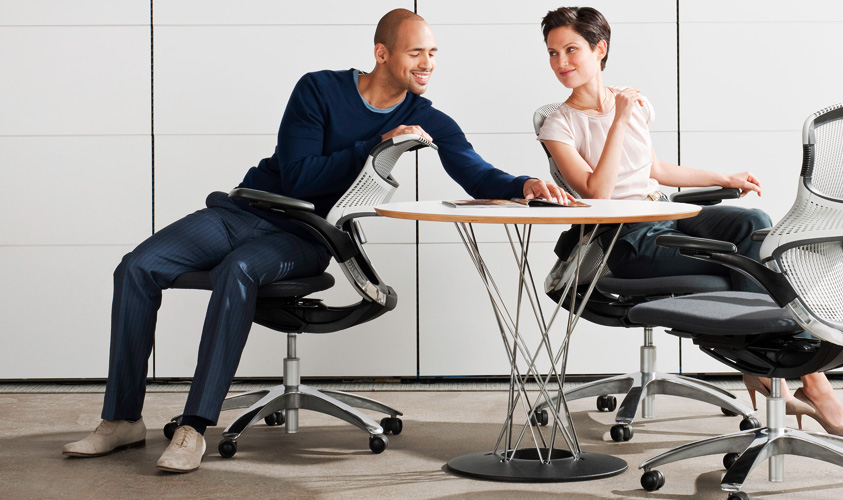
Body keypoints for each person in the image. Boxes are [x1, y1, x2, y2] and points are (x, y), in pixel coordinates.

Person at [62, 8, 575, 474]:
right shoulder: (317, 89)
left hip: (305, 235)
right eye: (416, 52)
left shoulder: (425, 116)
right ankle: (122, 420)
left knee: (237, 271)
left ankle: (194, 426)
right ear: (382, 53)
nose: (428, 63)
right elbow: (300, 175)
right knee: (136, 266)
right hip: (243, 210)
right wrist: (373, 146)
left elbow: (476, 174)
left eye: (434, 53)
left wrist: (522, 185)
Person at [536, 6, 843, 437]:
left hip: (663, 216)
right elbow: (597, 192)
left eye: (571, 50)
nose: (561, 63)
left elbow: (653, 169)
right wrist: (617, 119)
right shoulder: (559, 124)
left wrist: (723, 177)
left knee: (751, 222)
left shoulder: (634, 102)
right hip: (620, 241)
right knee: (734, 264)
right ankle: (793, 379)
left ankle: (773, 372)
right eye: (552, 53)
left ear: (599, 49)